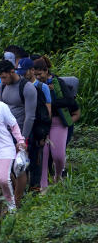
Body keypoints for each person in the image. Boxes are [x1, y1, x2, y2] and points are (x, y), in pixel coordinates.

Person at [0, 58, 38, 202]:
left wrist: (23, 139)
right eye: (0, 77)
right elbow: (1, 108)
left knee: (19, 167)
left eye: (4, 77)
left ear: (12, 72)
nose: (2, 80)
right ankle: (15, 193)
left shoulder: (27, 88)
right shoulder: (3, 86)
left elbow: (30, 116)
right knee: (5, 165)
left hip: (21, 132)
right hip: (4, 133)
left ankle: (18, 200)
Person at [33, 57, 77, 191]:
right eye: (35, 75)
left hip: (58, 122)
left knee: (58, 155)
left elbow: (70, 101)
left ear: (46, 71)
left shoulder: (58, 83)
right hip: (42, 123)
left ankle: (58, 175)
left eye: (40, 74)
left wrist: (51, 103)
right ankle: (43, 186)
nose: (38, 77)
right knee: (44, 154)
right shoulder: (35, 85)